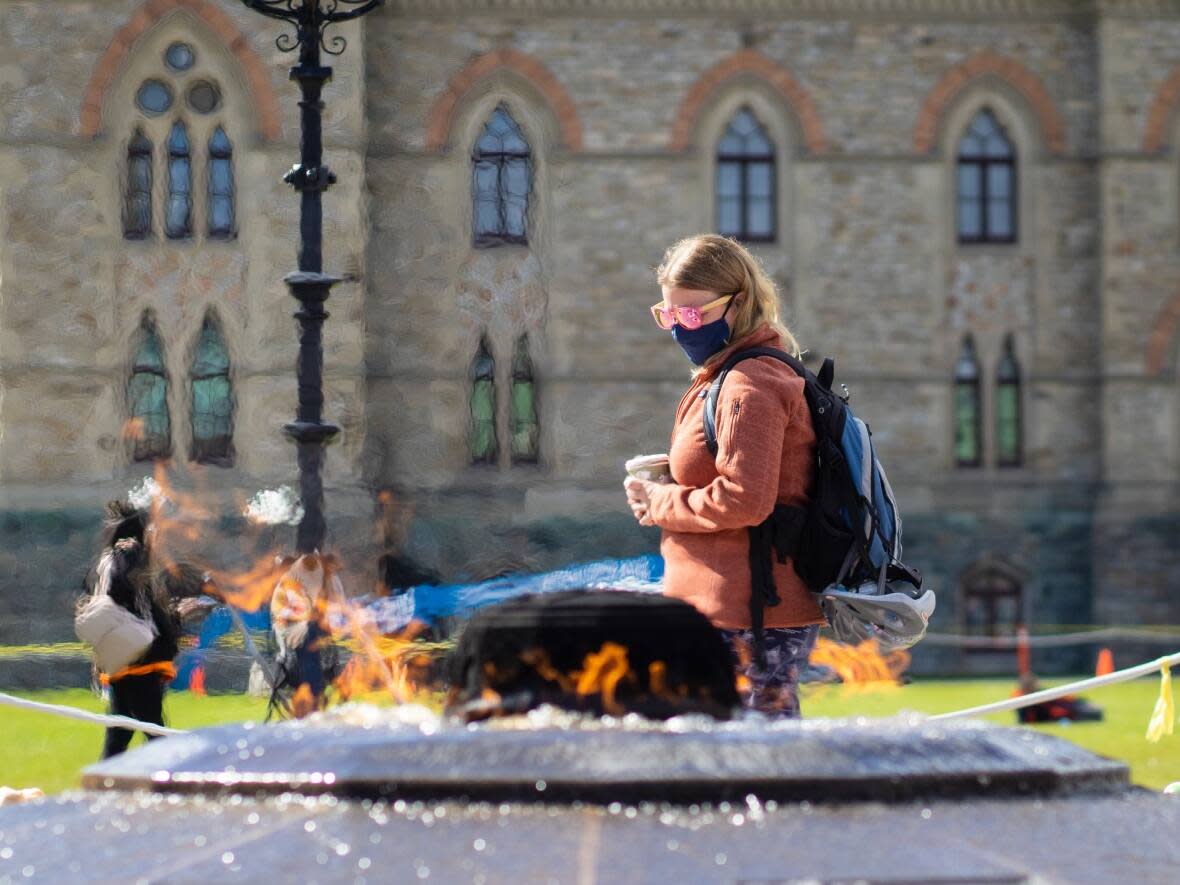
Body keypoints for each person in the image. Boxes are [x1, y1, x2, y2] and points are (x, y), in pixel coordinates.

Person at [623, 234, 823, 718]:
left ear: (738, 304)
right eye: (668, 315)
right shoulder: (727, 375)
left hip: (750, 614)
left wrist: (659, 502)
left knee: (753, 766)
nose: (679, 329)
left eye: (693, 315)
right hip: (727, 608)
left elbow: (746, 499)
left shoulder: (749, 383)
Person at [86, 501, 182, 758]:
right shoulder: (129, 553)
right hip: (139, 657)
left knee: (120, 732)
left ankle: (105, 783)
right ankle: (164, 782)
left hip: (123, 656)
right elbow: (123, 591)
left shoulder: (112, 556)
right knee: (153, 731)